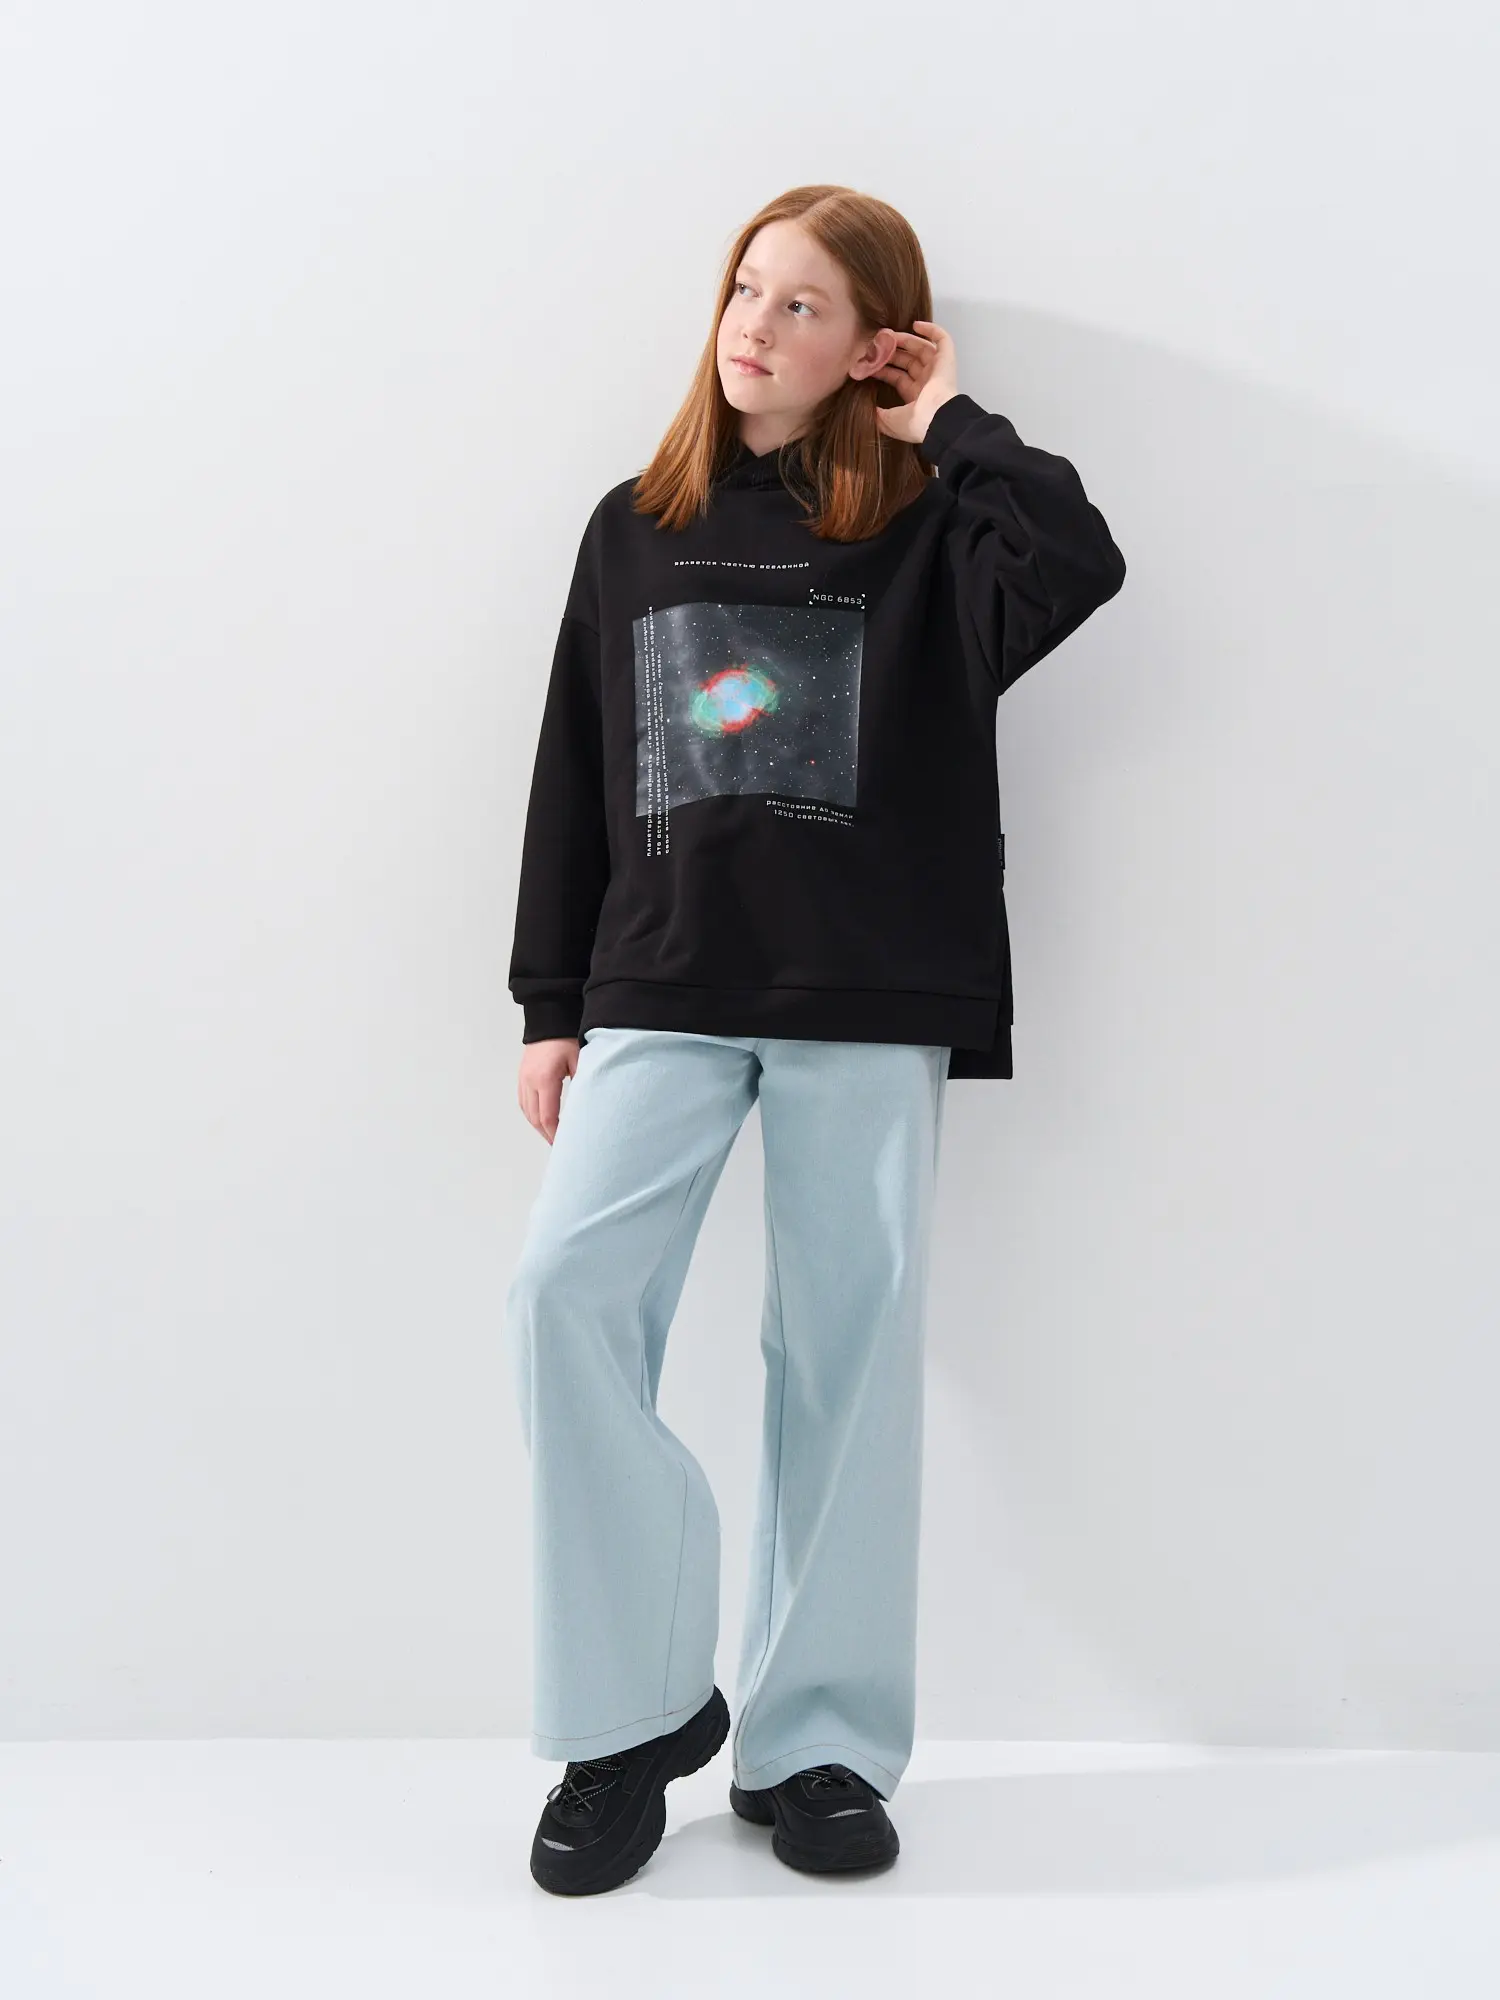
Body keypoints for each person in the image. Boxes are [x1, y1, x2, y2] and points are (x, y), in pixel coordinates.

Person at [505, 183, 1126, 1896]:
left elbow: (1079, 558)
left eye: (804, 307)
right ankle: (634, 1716)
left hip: (871, 988)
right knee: (561, 1294)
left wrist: (951, 422)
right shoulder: (637, 524)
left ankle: (819, 1742)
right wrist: (550, 1001)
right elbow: (575, 763)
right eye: (746, 291)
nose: (757, 328)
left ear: (871, 348)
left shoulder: (932, 527)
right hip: (660, 983)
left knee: (847, 1354)